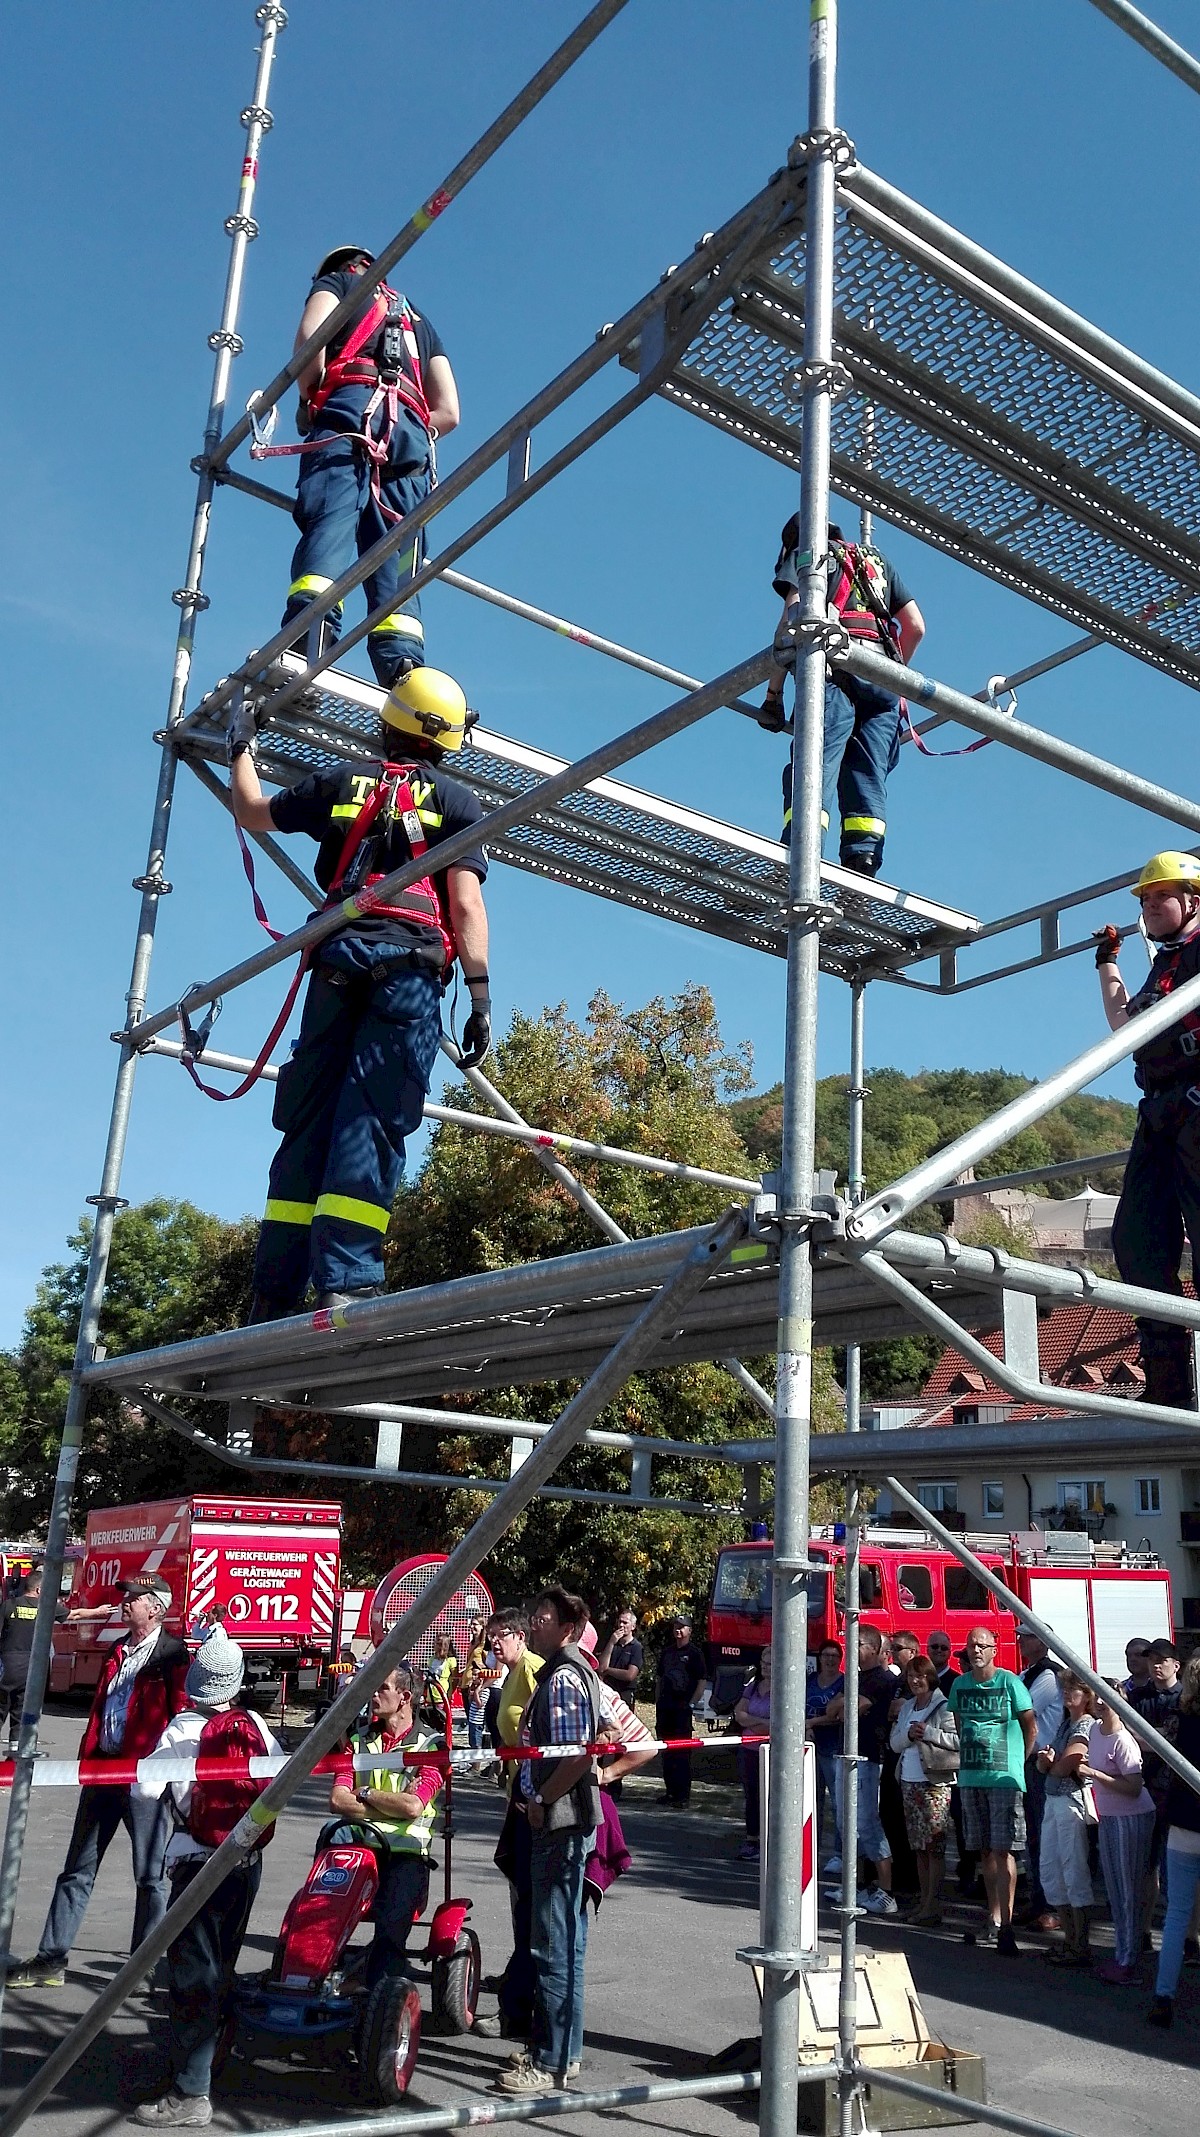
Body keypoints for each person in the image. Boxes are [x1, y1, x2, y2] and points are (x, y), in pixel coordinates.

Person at [229, 666, 492, 1319]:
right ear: (448, 741)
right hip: (408, 971)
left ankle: (273, 1290)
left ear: (387, 722)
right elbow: (465, 905)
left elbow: (252, 811)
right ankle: (348, 1281)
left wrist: (240, 747)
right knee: (370, 1121)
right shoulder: (458, 803)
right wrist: (480, 993)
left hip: (336, 961)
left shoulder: (340, 781)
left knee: (307, 1120)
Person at [279, 245, 460, 688]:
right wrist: (409, 426)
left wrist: (310, 400)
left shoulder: (338, 284)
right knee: (397, 550)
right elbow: (450, 412)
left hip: (352, 408)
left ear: (340, 267)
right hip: (412, 429)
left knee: (333, 519)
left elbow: (311, 341)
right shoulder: (420, 321)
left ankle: (307, 645)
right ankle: (405, 679)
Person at [8, 1577, 188, 1990]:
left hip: (145, 1779)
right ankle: (51, 1960)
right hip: (103, 1770)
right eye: (125, 1597)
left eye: (134, 1599)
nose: (124, 1603)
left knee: (151, 1877)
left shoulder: (172, 1655)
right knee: (76, 1870)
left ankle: (140, 1968)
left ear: (156, 1608)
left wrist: (169, 1775)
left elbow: (181, 1717)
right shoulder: (118, 1648)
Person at [132, 1626, 280, 2127]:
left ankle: (191, 2094)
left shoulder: (181, 1730)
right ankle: (214, 2063)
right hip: (244, 1864)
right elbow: (279, 1777)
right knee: (223, 1967)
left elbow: (144, 1791)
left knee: (194, 1978)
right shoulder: (255, 1722)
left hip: (197, 1862)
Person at [761, 518, 925, 878]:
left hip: (833, 669)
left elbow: (792, 619)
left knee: (813, 765)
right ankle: (861, 871)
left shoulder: (809, 553)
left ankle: (798, 862)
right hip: (882, 680)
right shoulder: (875, 560)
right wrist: (891, 675)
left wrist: (773, 696)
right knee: (866, 777)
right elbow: (915, 627)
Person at [1095, 852, 1200, 1406]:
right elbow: (1126, 1027)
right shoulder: (1165, 964)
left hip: (1198, 1104)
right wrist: (1107, 963)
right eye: (1145, 899)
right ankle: (1168, 1388)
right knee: (1136, 1242)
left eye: (1163, 895)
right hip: (1160, 1112)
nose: (1151, 905)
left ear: (1193, 900)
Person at [497, 1588, 601, 2097]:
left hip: (559, 1825)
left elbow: (579, 1756)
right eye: (534, 1617)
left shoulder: (563, 1677)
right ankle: (565, 2052)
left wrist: (539, 1797)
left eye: (542, 1619)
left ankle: (549, 2061)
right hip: (566, 1823)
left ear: (567, 1628)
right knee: (567, 1942)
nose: (533, 1625)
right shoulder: (573, 1672)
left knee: (551, 1943)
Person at [325, 1664, 443, 1989]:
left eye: (381, 1689)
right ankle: (305, 1981)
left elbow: (413, 1806)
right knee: (318, 1914)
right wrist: (384, 1800)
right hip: (359, 1852)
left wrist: (363, 1795)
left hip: (405, 1859)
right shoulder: (358, 1740)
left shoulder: (431, 1746)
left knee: (390, 1934)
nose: (372, 1695)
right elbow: (337, 1800)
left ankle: (380, 2004)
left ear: (404, 1698)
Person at [946, 1625, 1037, 1956]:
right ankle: (994, 1917)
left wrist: (1019, 1762)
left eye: (983, 1645)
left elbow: (1030, 1725)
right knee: (984, 1851)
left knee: (1004, 1851)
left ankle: (1008, 1924)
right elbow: (959, 1724)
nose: (976, 1650)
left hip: (1004, 1778)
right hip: (972, 1777)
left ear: (995, 1649)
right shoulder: (959, 1684)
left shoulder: (1010, 1683)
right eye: (971, 1645)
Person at [477, 1609, 544, 2046]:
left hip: (537, 1802)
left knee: (533, 1906)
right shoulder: (509, 1676)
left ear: (520, 1636)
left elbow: (549, 1735)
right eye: (490, 1639)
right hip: (517, 1796)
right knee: (521, 1900)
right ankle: (519, 1989)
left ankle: (521, 2007)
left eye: (500, 1637)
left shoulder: (536, 1671)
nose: (493, 1645)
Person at [1081, 1683, 1156, 1986]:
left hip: (1132, 1817)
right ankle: (1122, 1954)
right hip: (1109, 1816)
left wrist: (1096, 1775)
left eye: (1107, 1698)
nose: (1100, 1702)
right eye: (1097, 1696)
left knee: (1128, 1890)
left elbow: (1134, 1786)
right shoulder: (1096, 1730)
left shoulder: (1123, 1740)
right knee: (1114, 1888)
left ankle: (1129, 1960)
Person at [0, 1565, 103, 1758]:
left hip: (6, 1666)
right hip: (30, 1671)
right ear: (40, 1590)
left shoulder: (8, 1605)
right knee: (20, 1715)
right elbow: (75, 1614)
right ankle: (12, 1766)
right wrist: (98, 1611)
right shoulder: (46, 1608)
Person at [1148, 1652, 1200, 2027]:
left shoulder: (1178, 1719)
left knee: (1177, 1915)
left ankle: (1164, 1995)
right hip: (1187, 1823)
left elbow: (1151, 1744)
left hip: (1183, 1824)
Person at [1035, 1674, 1096, 1968]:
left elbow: (1071, 1760)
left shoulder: (1085, 1724)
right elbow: (1043, 1760)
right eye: (1066, 1688)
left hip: (1072, 1803)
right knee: (1050, 1870)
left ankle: (1080, 1944)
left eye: (1075, 1688)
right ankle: (1069, 1939)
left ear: (1087, 1695)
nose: (1068, 1693)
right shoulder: (1064, 1722)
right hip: (1053, 1800)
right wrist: (1048, 1764)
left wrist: (1050, 1765)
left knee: (1074, 1871)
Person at [889, 1655, 956, 1925]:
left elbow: (957, 1740)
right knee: (918, 1847)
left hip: (935, 1785)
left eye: (920, 1676)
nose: (916, 1681)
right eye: (911, 1677)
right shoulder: (906, 1708)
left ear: (930, 1677)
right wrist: (909, 1735)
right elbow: (895, 1743)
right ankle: (923, 1902)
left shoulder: (944, 1706)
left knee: (934, 1848)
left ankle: (933, 1904)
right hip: (908, 1781)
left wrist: (927, 1733)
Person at [1129, 1637, 1183, 1946]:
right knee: (1146, 1866)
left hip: (1176, 1790)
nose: (1156, 1664)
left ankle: (1186, 1936)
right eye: (1152, 1659)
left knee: (1176, 1866)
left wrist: (1155, 1739)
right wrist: (1163, 1739)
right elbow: (1128, 1737)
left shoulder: (1186, 1698)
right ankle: (1145, 1931)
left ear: (1176, 1664)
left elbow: (1177, 1743)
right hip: (1144, 1787)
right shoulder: (1139, 1697)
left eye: (1161, 1659)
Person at [843, 1624, 898, 1916]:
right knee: (850, 1824)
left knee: (868, 1823)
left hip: (870, 1758)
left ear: (876, 1650)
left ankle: (886, 1891)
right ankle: (859, 1885)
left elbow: (857, 1708)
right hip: (851, 1755)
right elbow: (837, 1709)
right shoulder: (856, 1678)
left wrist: (847, 1706)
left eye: (860, 1644)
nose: (853, 1650)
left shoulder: (884, 1681)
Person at [1017, 1627, 1065, 1931]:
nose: (1021, 1641)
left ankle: (1053, 1906)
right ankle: (1038, 1899)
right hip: (1029, 1762)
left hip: (1042, 1762)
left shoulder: (1048, 1676)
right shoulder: (1027, 1673)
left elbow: (1020, 1710)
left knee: (1047, 1837)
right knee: (1034, 1836)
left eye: (1028, 1636)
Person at [654, 1615, 708, 1808]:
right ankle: (670, 1792)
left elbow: (701, 1680)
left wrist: (692, 1703)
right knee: (666, 1751)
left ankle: (682, 1796)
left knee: (682, 1753)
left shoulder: (694, 1654)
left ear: (689, 1631)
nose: (678, 1630)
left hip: (682, 1709)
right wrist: (658, 1700)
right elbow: (660, 1678)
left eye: (682, 1627)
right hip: (665, 1708)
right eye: (676, 1626)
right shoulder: (667, 1653)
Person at [806, 1639, 845, 1866]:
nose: (830, 1659)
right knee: (812, 1801)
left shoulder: (844, 1682)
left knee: (838, 1803)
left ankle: (840, 1854)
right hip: (810, 1746)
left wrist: (810, 1723)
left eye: (835, 1656)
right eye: (826, 1655)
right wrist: (807, 1727)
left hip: (833, 1747)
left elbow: (836, 1714)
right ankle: (811, 1848)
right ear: (819, 1658)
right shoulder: (810, 1680)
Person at [734, 1647, 772, 1862]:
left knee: (769, 1797)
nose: (766, 1667)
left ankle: (770, 1841)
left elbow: (778, 1721)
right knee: (752, 1796)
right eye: (763, 1662)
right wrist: (761, 1723)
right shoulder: (753, 1685)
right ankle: (752, 1839)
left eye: (770, 1663)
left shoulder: (783, 1688)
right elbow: (739, 1714)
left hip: (771, 1751)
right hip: (749, 1749)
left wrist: (756, 1722)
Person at [597, 1609, 643, 1702]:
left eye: (625, 1623)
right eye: (620, 1622)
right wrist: (611, 1643)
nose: (621, 1625)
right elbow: (601, 1668)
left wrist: (608, 1670)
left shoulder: (636, 1647)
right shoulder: (612, 1643)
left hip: (625, 1693)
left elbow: (630, 1675)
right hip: (608, 1691)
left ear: (633, 1626)